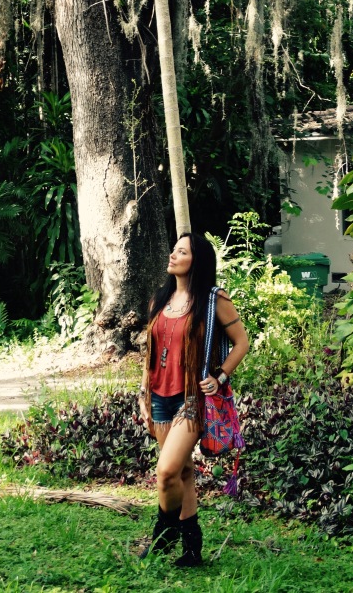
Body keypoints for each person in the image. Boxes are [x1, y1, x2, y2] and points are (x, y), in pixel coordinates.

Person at [137, 232, 249, 567]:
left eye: (181, 252)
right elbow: (150, 352)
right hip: (159, 395)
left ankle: (164, 531)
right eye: (173, 250)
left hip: (191, 398)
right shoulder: (160, 299)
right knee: (183, 472)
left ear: (196, 261)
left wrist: (220, 376)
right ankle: (191, 549)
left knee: (166, 471)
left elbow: (242, 342)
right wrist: (143, 393)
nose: (172, 255)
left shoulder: (214, 300)